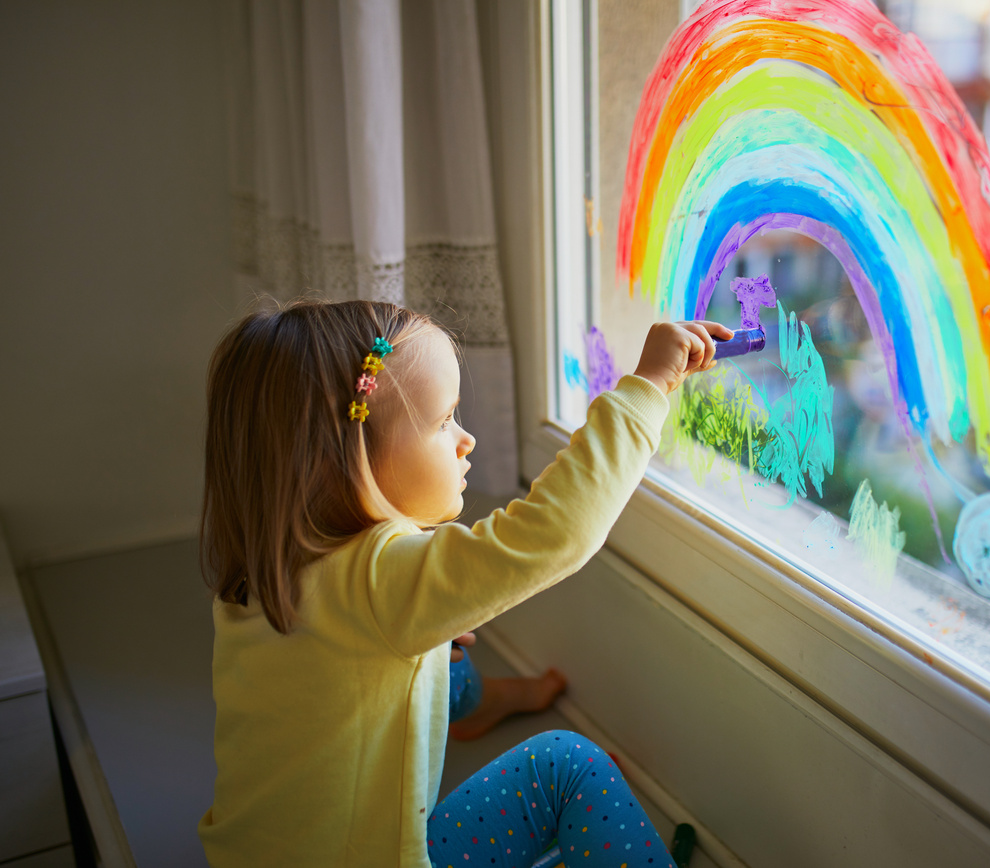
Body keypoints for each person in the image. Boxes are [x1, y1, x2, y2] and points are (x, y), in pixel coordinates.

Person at [196, 299, 731, 868]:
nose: (465, 438)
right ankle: (482, 709)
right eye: (443, 419)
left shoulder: (264, 576)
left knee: (442, 647)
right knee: (569, 765)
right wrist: (648, 385)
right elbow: (557, 533)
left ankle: (475, 704)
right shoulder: (380, 579)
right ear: (343, 455)